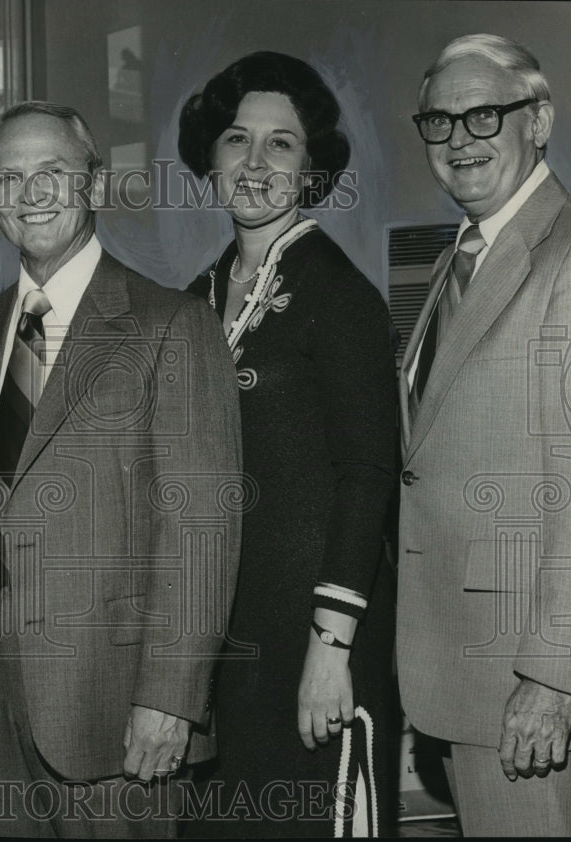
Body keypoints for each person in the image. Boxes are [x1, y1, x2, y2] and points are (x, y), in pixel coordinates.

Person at [0, 100, 242, 836]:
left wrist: (171, 699)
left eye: (53, 173)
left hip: (113, 711)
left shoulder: (172, 324)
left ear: (94, 184)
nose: (31, 194)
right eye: (9, 177)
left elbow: (201, 526)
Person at [178, 52, 398, 836]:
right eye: (237, 139)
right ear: (210, 158)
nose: (256, 162)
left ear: (311, 170)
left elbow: (369, 474)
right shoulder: (194, 300)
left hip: (314, 645)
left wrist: (330, 647)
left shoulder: (338, 296)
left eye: (282, 144)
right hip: (225, 646)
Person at [398, 34, 571, 836]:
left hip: (524, 684)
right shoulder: (460, 258)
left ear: (540, 121)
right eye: (439, 122)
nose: (459, 140)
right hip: (457, 674)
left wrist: (555, 680)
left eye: (484, 115)